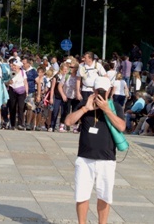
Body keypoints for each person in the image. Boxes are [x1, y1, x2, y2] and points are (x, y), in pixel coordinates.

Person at [65, 76, 125, 224]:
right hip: (85, 158)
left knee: (104, 195)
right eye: (99, 91)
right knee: (82, 195)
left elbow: (122, 127)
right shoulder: (85, 104)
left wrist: (107, 110)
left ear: (110, 90)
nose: (101, 94)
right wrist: (85, 108)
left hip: (106, 158)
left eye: (104, 91)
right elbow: (68, 122)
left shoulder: (115, 106)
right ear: (93, 90)